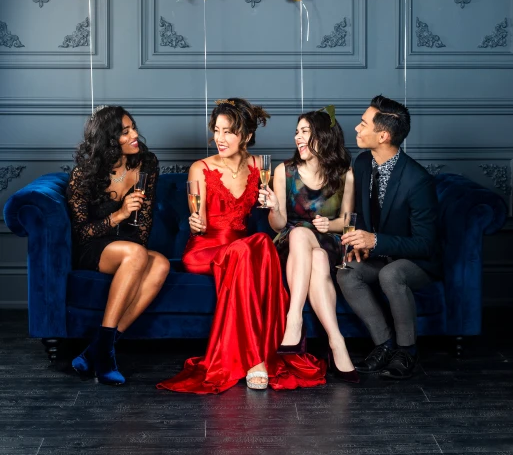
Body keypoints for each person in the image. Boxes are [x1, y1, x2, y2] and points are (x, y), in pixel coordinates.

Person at [157, 98, 326, 394]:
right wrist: (195, 222)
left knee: (259, 242)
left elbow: (276, 225)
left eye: (228, 132)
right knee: (251, 248)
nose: (219, 139)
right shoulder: (201, 167)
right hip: (205, 249)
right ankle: (256, 360)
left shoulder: (261, 167)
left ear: (246, 136)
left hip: (242, 250)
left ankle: (263, 353)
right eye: (217, 131)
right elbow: (199, 220)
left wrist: (273, 205)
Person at [337, 95, 442, 380]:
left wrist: (375, 241)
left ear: (382, 135)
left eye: (363, 124)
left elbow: (425, 244)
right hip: (380, 257)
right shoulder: (362, 163)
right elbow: (358, 213)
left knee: (392, 274)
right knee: (347, 273)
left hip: (416, 262)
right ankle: (384, 345)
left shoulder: (417, 180)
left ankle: (407, 351)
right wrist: (354, 242)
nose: (357, 129)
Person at [67, 106, 170, 385]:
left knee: (160, 263)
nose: (135, 135)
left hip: (127, 247)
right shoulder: (84, 175)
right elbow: (81, 233)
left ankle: (97, 350)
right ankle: (105, 355)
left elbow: (143, 225)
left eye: (133, 127)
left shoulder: (146, 163)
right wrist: (120, 215)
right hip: (92, 248)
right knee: (137, 254)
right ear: (109, 139)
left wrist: (135, 252)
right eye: (125, 132)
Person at [263, 108, 359, 384]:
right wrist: (273, 208)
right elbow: (279, 225)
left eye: (305, 132)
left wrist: (332, 226)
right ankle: (336, 342)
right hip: (290, 246)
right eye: (297, 132)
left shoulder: (344, 174)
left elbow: (346, 221)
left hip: (327, 243)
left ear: (324, 136)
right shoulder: (284, 171)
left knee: (318, 256)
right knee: (299, 235)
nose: (298, 138)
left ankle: (295, 322)